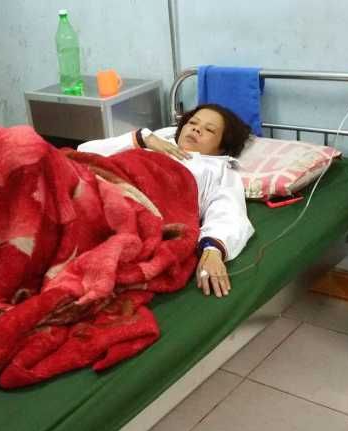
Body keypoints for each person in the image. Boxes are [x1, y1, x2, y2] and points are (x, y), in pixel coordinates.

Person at [77, 103, 254, 298]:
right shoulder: (156, 140)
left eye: (209, 130)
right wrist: (142, 139)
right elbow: (85, 151)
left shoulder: (218, 170)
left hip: (136, 204)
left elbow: (228, 211)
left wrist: (212, 251)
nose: (196, 129)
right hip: (101, 181)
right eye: (193, 123)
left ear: (222, 147)